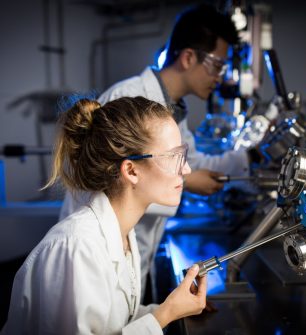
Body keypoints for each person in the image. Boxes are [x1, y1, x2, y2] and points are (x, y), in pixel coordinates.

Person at [60, 4, 251, 303]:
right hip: (97, 257)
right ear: (188, 57)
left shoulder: (172, 109)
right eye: (216, 65)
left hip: (131, 252)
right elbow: (111, 180)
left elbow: (191, 164)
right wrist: (188, 182)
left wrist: (250, 160)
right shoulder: (131, 100)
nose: (220, 76)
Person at [1, 96, 207, 335]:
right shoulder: (76, 247)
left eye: (183, 154)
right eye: (173, 157)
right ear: (131, 170)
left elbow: (114, 321)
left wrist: (174, 307)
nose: (187, 169)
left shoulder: (123, 232)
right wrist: (166, 314)